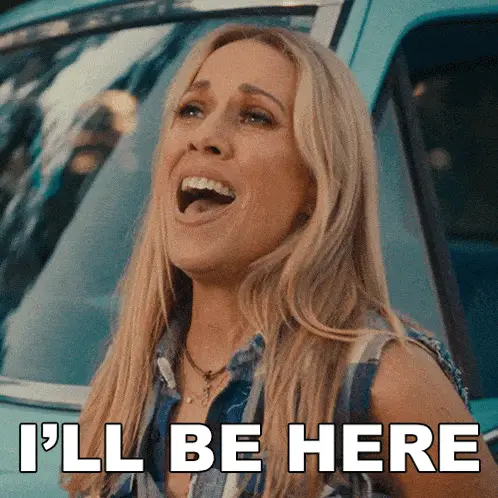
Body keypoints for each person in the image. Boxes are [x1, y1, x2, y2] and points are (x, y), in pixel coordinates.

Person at [61, 24, 497, 497]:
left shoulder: (385, 381)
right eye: (191, 110)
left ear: (316, 183)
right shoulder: (122, 382)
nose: (204, 136)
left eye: (255, 116)